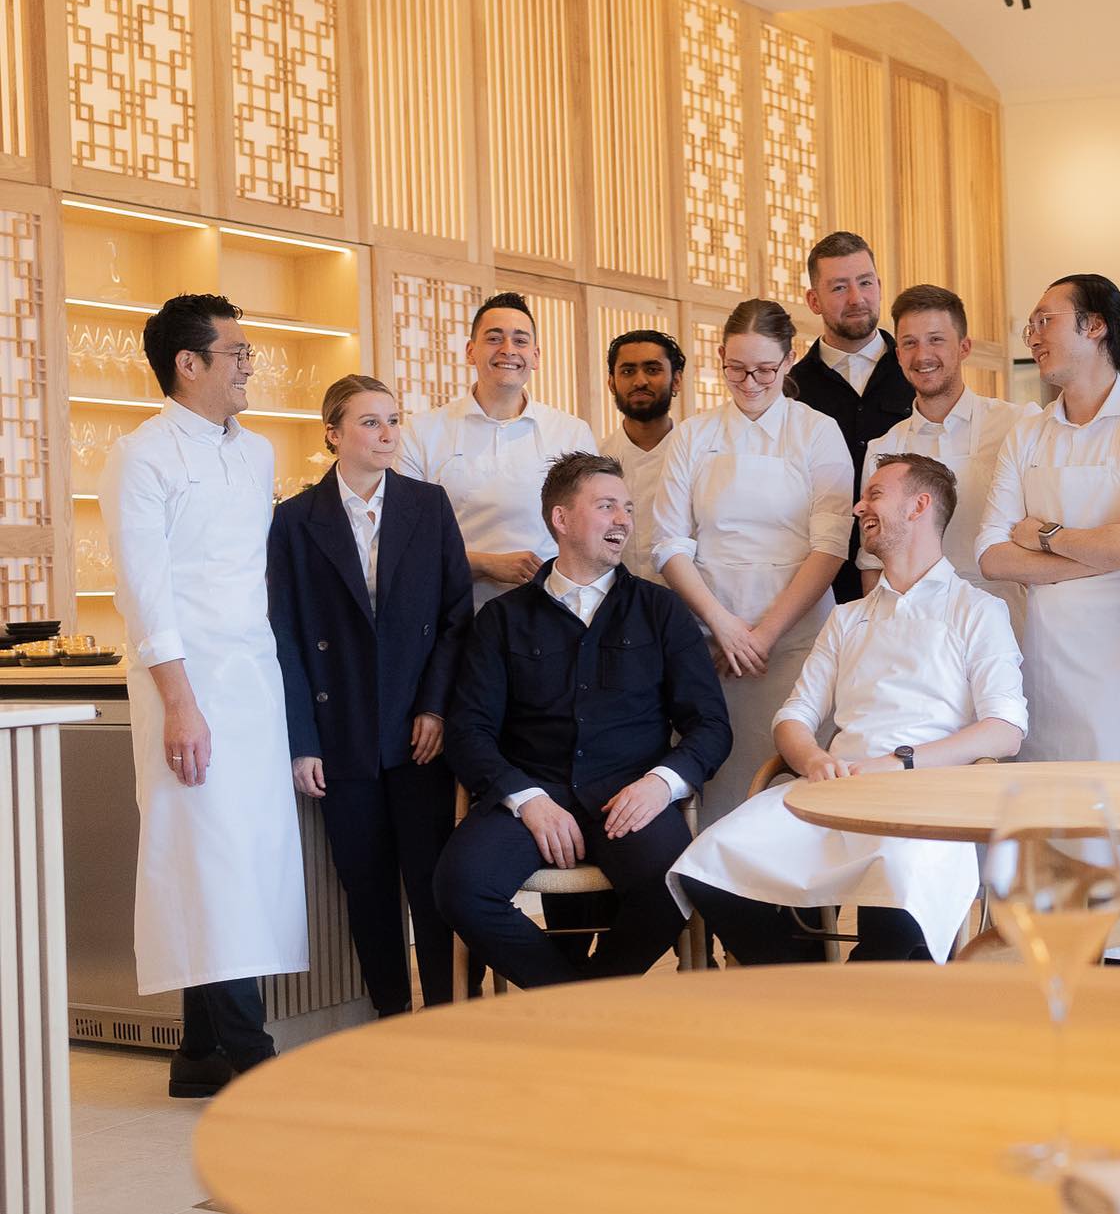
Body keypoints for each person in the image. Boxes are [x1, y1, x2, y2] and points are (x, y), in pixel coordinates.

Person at [670, 454, 1027, 964]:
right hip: (834, 791)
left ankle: (849, 996)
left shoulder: (978, 610)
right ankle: (807, 982)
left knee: (898, 901)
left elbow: (1005, 729)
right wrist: (812, 759)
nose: (859, 508)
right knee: (705, 866)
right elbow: (793, 716)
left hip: (927, 801)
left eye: (875, 495)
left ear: (919, 506)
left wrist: (901, 762)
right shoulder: (846, 618)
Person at [98, 294, 307, 1098]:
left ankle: (197, 1055)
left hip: (253, 680)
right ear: (189, 365)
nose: (250, 364)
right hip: (182, 684)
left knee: (239, 858)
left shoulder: (256, 453)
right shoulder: (139, 456)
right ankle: (251, 1054)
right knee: (207, 858)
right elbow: (143, 592)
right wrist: (181, 703)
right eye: (237, 353)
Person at [432, 453, 732, 988]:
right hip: (532, 793)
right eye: (606, 506)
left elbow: (711, 725)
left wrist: (661, 784)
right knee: (459, 888)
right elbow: (468, 731)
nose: (623, 520)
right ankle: (576, 1002)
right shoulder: (502, 618)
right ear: (561, 518)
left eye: (628, 508)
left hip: (630, 797)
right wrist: (527, 799)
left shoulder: (661, 611)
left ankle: (580, 1002)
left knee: (673, 885)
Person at [267, 375, 473, 1015]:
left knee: (433, 884)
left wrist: (435, 707)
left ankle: (449, 1014)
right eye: (370, 422)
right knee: (367, 888)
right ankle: (391, 1018)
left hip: (419, 728)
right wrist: (303, 742)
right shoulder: (295, 520)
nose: (388, 434)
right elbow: (286, 637)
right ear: (333, 434)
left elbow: (456, 617)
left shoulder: (427, 505)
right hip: (341, 730)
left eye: (393, 420)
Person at [977, 274, 1120, 763]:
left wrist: (1043, 535)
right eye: (1030, 326)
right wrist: (1107, 548)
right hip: (1045, 673)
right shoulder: (1027, 432)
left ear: (1095, 326)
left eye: (1044, 321)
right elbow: (992, 557)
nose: (1032, 337)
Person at [651, 298, 853, 822]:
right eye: (736, 369)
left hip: (796, 637)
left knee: (793, 786)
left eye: (765, 370)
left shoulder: (817, 432)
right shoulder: (693, 435)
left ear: (789, 361)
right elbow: (669, 543)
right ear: (720, 357)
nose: (750, 382)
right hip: (709, 637)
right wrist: (724, 627)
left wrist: (762, 635)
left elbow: (830, 545)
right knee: (718, 782)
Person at [857, 283, 1037, 642]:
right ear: (898, 355)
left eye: (936, 340)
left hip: (1005, 623)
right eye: (910, 343)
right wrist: (886, 641)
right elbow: (873, 562)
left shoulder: (1018, 424)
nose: (922, 355)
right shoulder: (884, 447)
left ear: (964, 347)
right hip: (916, 630)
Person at [394, 291, 595, 610]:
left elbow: (590, 528)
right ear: (470, 351)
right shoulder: (420, 432)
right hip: (452, 611)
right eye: (494, 338)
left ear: (536, 357)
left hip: (549, 610)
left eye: (520, 340)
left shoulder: (571, 432)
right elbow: (404, 539)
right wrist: (487, 563)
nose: (508, 349)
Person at [788, 231, 915, 601]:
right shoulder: (791, 389)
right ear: (813, 300)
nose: (857, 298)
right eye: (840, 287)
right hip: (818, 585)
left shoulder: (917, 372)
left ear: (880, 286)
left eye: (865, 282)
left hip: (910, 576)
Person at [598, 329, 684, 585]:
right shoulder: (596, 459)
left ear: (676, 380)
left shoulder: (697, 455)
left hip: (686, 602)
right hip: (614, 601)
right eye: (627, 371)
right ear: (611, 383)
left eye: (652, 370)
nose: (640, 381)